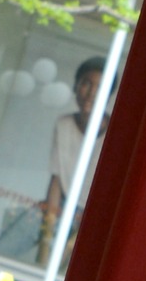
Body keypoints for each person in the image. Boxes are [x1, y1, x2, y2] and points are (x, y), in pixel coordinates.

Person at [39, 55, 102, 262]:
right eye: (86, 84)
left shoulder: (116, 132)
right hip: (64, 207)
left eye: (99, 87)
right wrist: (46, 236)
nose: (91, 93)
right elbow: (56, 179)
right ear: (75, 86)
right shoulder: (64, 125)